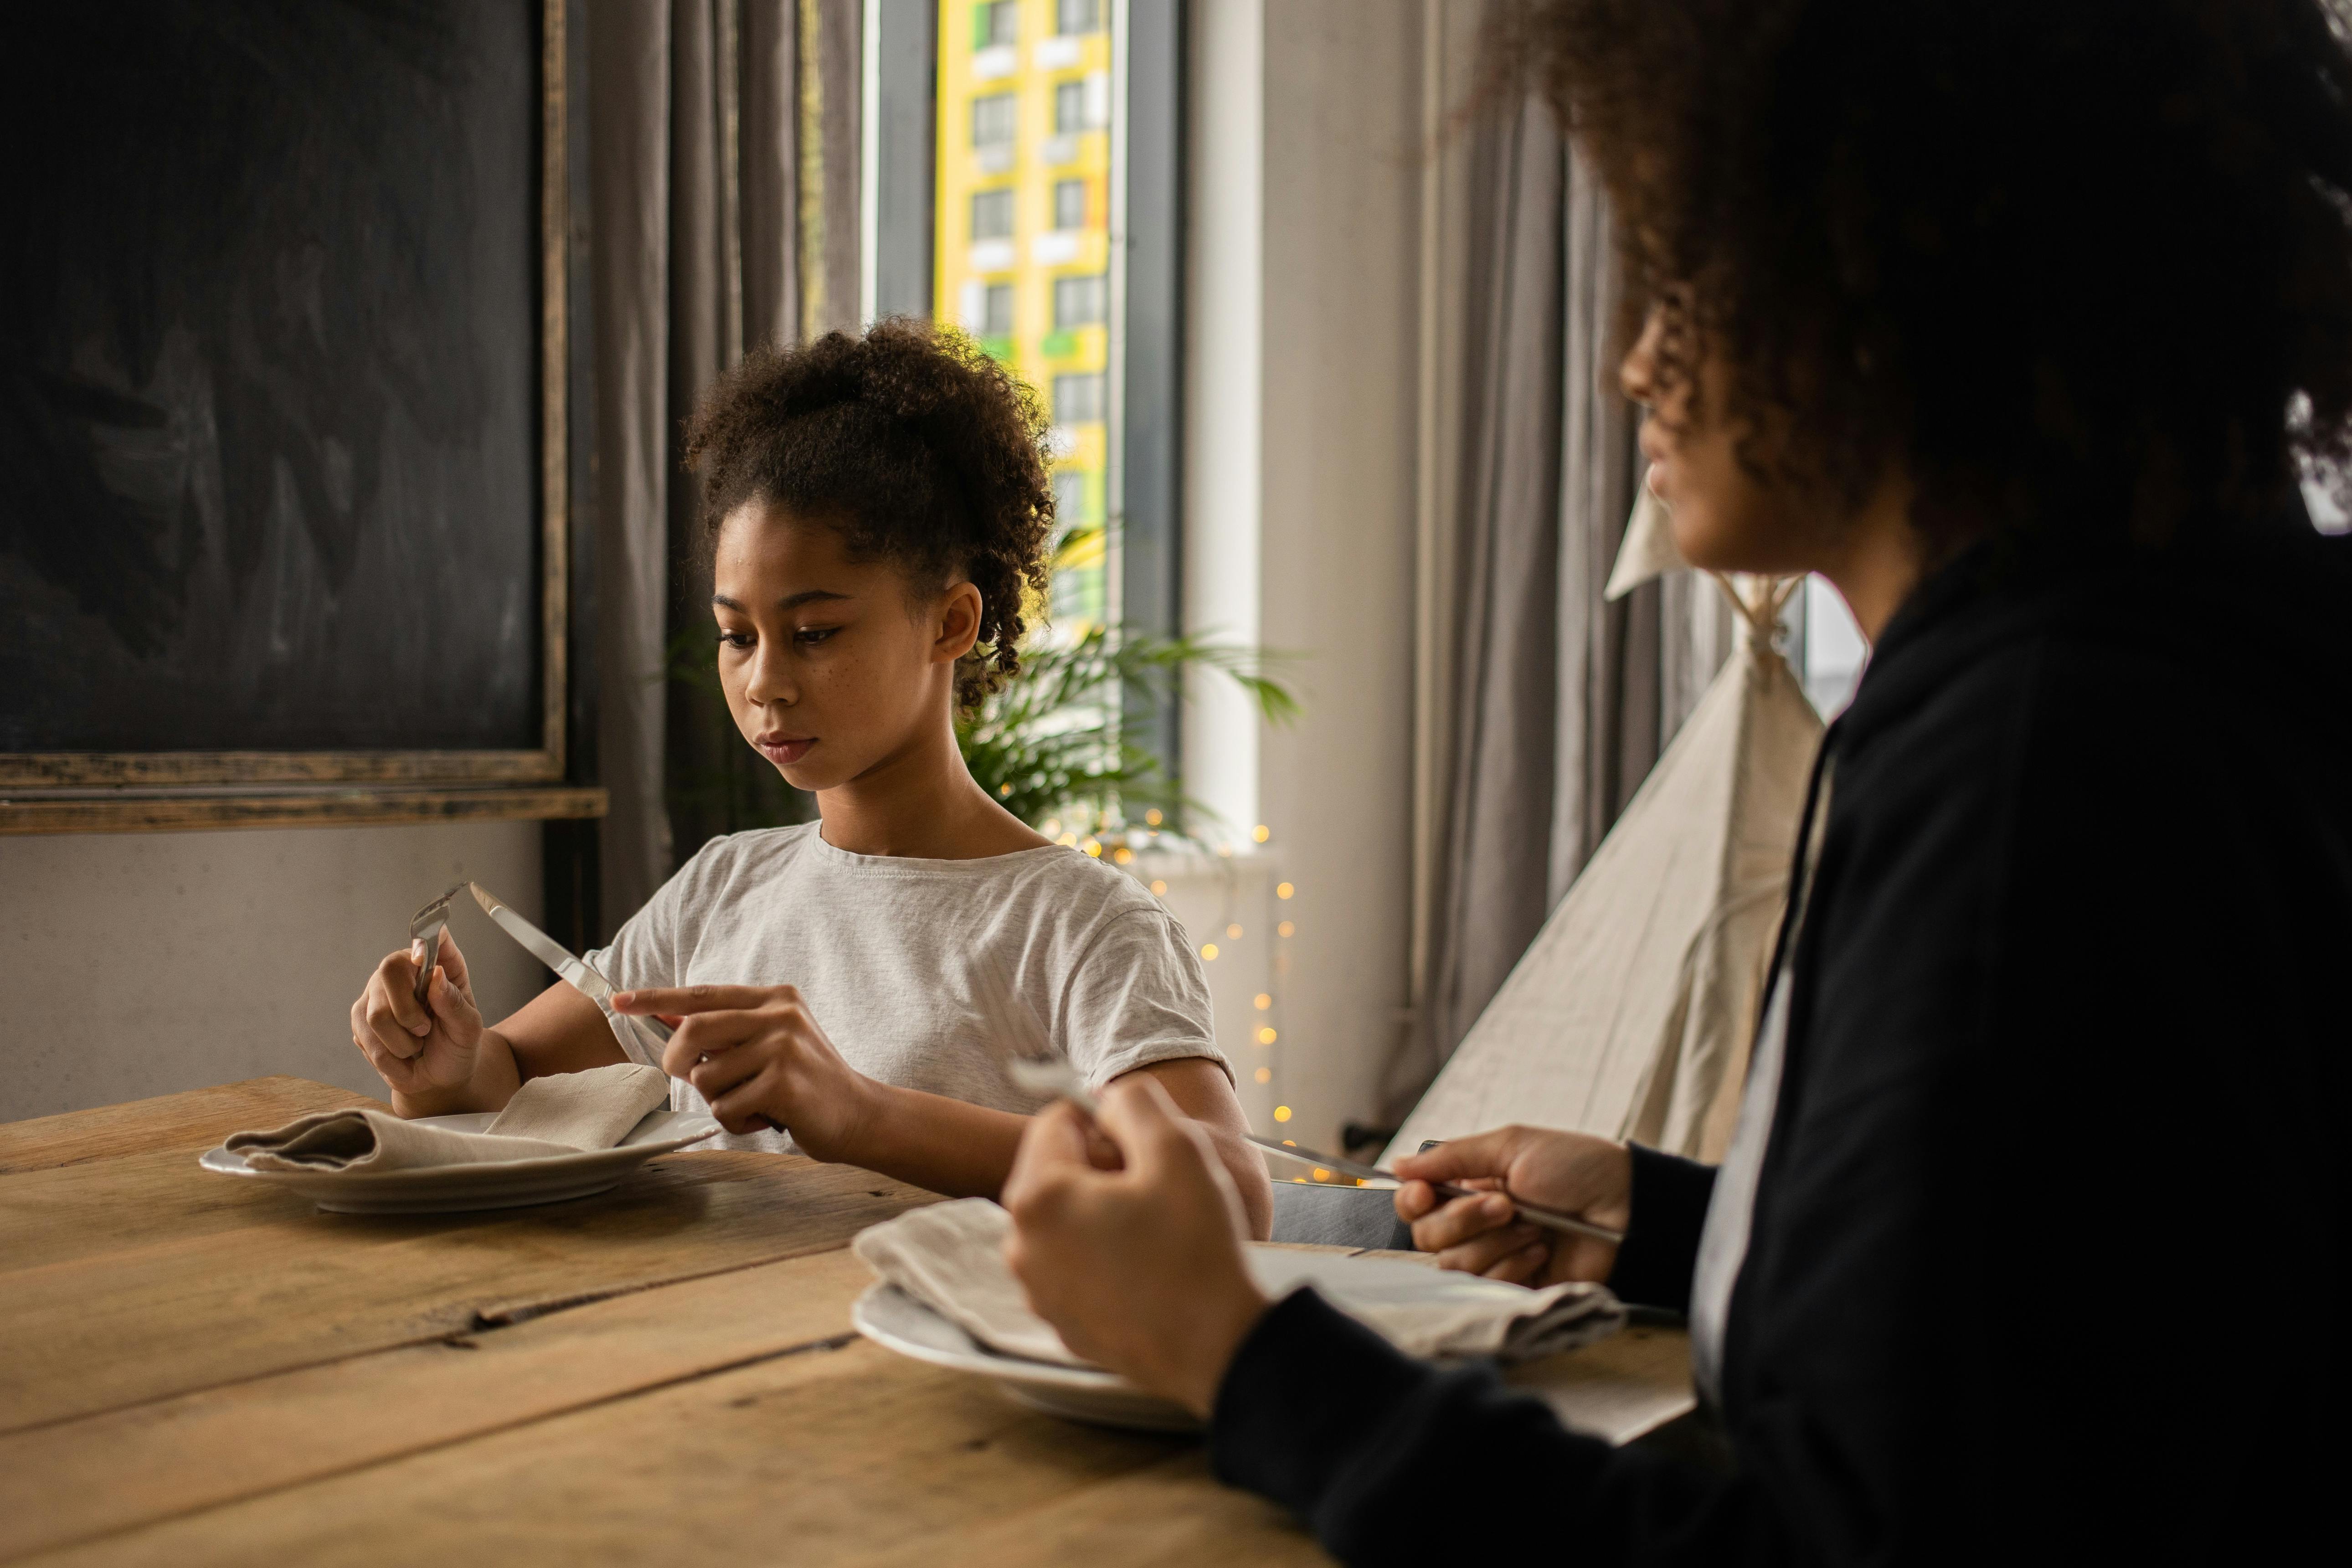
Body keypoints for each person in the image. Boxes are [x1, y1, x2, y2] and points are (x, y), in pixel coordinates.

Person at [998, 0, 2352, 1560]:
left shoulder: (2034, 772)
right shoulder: (2190, 664)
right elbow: (2079, 1314)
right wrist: (1664, 1211)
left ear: (1887, 275)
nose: (1629, 360)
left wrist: (1235, 1351)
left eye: (1685, 273)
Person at [346, 321, 1270, 1233]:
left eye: (815, 633)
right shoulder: (724, 888)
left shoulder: (1079, 924)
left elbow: (1228, 1194)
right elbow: (505, 1071)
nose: (764, 683)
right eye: (736, 635)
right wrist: (444, 1064)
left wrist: (860, 1112)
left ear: (951, 623)